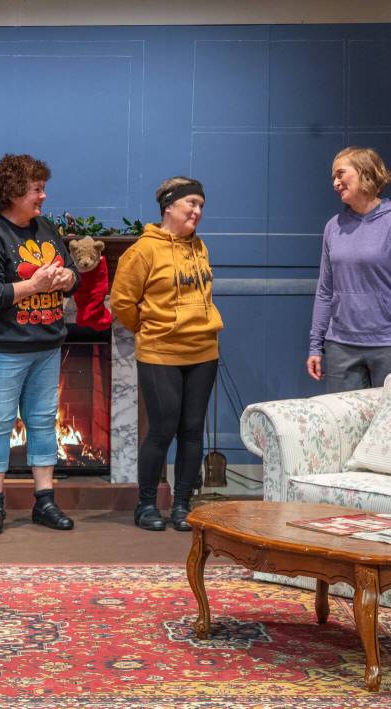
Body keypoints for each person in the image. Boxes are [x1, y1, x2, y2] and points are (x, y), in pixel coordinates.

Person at [0, 154, 81, 535]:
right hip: (0, 349)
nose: (43, 196)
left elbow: (73, 272)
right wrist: (33, 285)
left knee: (43, 422)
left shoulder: (46, 228)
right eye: (36, 190)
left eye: (43, 189)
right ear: (13, 193)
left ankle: (45, 501)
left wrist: (67, 279)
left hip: (46, 345)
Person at [111, 177, 223, 532]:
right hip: (160, 351)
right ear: (169, 207)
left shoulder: (199, 247)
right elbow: (122, 302)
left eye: (201, 205)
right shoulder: (143, 251)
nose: (197, 211)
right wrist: (150, 329)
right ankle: (146, 505)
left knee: (192, 430)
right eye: (191, 203)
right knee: (161, 429)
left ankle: (182, 505)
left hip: (203, 350)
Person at [307, 147, 391, 392]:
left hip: (388, 346)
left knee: (389, 416)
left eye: (340, 174)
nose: (335, 183)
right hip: (340, 345)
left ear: (364, 172)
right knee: (342, 416)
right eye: (333, 177)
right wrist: (315, 346)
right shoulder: (333, 227)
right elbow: (325, 291)